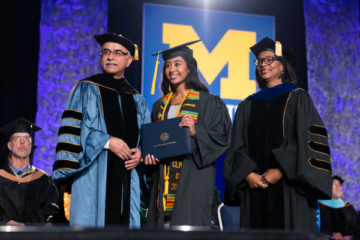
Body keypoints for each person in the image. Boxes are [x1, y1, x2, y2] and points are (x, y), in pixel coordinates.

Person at [224, 37, 333, 230]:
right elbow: (236, 147)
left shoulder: (298, 98)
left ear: (283, 66)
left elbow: (309, 142)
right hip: (255, 190)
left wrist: (281, 171)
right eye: (259, 61)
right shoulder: (246, 106)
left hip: (290, 189)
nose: (263, 64)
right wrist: (247, 173)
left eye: (269, 59)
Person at [52, 33, 151, 228]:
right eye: (105, 52)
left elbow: (144, 137)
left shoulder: (137, 99)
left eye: (117, 53)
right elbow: (73, 133)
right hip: (93, 175)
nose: (110, 57)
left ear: (129, 60)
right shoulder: (85, 88)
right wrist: (106, 141)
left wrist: (141, 152)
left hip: (127, 180)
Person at [145, 40, 232, 227]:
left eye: (177, 64)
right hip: (164, 177)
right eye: (167, 65)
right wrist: (150, 156)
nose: (171, 69)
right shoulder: (159, 105)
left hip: (193, 176)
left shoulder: (208, 102)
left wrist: (195, 131)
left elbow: (222, 136)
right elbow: (155, 142)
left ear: (189, 68)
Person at [0, 118, 59, 226]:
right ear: (9, 145)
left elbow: (53, 211)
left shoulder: (44, 181)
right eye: (17, 138)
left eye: (26, 138)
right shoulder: (1, 178)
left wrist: (49, 223)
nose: (22, 141)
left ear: (30, 145)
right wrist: (6, 223)